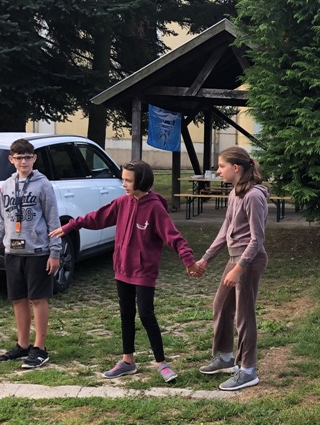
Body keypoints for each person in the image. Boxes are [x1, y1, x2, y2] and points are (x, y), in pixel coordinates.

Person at [51, 160, 197, 382]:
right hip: (122, 268)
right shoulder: (122, 203)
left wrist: (188, 260)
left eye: (128, 180)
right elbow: (96, 217)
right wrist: (70, 226)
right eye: (123, 179)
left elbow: (173, 236)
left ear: (142, 181)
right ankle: (127, 361)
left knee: (146, 314)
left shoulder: (155, 208)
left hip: (144, 271)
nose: (124, 184)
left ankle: (162, 363)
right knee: (126, 314)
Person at [191, 147, 269, 392]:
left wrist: (240, 268)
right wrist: (206, 259)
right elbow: (225, 230)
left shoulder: (253, 196)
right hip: (235, 258)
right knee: (222, 305)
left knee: (244, 315)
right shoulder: (235, 193)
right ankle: (225, 357)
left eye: (221, 166)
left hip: (249, 260)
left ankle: (248, 370)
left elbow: (257, 239)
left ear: (236, 168)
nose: (218, 171)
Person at [0, 139, 61, 369]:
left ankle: (40, 348)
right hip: (13, 251)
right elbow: (1, 221)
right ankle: (23, 344)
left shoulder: (43, 185)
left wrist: (55, 252)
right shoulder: (7, 185)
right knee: (18, 299)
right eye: (19, 158)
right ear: (11, 160)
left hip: (38, 251)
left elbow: (53, 220)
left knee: (37, 298)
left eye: (28, 157)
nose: (24, 162)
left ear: (34, 158)